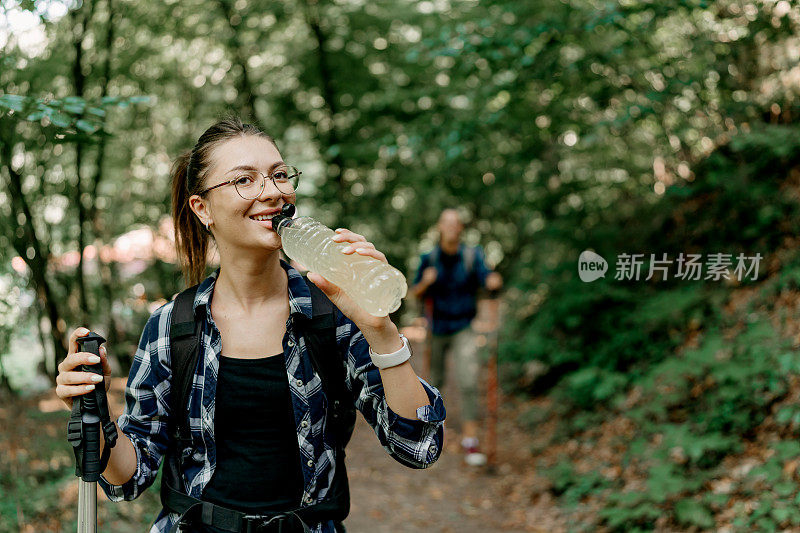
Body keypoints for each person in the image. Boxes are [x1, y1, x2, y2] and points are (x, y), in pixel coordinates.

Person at [55, 117, 446, 533]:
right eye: (245, 180)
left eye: (279, 175)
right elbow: (128, 477)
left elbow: (418, 447)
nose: (273, 192)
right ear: (202, 208)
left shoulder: (333, 314)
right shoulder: (173, 326)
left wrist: (381, 330)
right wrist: (94, 413)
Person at [410, 208, 501, 466]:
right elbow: (414, 292)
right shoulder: (429, 258)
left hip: (464, 326)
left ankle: (470, 441)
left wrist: (493, 280)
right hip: (437, 327)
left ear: (460, 228)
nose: (451, 227)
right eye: (447, 223)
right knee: (434, 382)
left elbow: (486, 278)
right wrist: (426, 283)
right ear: (440, 227)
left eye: (456, 224)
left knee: (468, 380)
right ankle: (435, 434)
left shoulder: (473, 255)